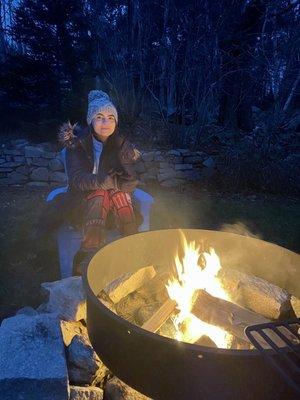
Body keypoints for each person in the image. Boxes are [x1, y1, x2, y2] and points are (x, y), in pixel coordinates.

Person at [58, 90, 143, 275]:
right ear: (91, 120)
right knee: (99, 193)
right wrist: (106, 182)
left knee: (119, 194)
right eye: (100, 116)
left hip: (114, 208)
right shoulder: (76, 144)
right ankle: (89, 253)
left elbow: (130, 180)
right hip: (81, 204)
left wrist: (122, 180)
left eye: (111, 117)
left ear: (116, 121)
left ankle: (133, 248)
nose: (106, 122)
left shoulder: (120, 144)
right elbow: (78, 180)